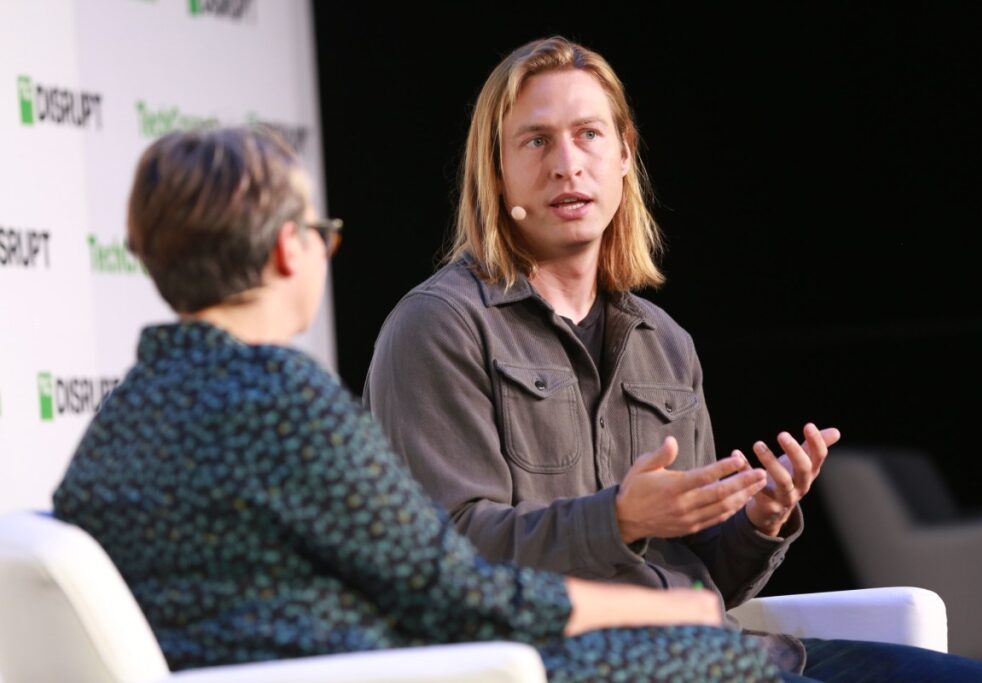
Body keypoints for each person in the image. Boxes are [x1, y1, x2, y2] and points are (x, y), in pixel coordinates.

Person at [363, 36, 982, 682]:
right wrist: (619, 517)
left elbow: (706, 579)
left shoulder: (665, 339)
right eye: (536, 141)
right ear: (497, 170)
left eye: (588, 134)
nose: (567, 163)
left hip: (719, 652)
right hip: (573, 659)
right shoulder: (438, 326)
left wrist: (759, 522)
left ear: (624, 155)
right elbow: (442, 557)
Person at [51, 125, 782, 682]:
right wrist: (663, 605)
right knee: (722, 657)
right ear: (286, 251)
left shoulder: (120, 420)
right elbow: (455, 596)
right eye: (320, 232)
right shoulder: (282, 400)